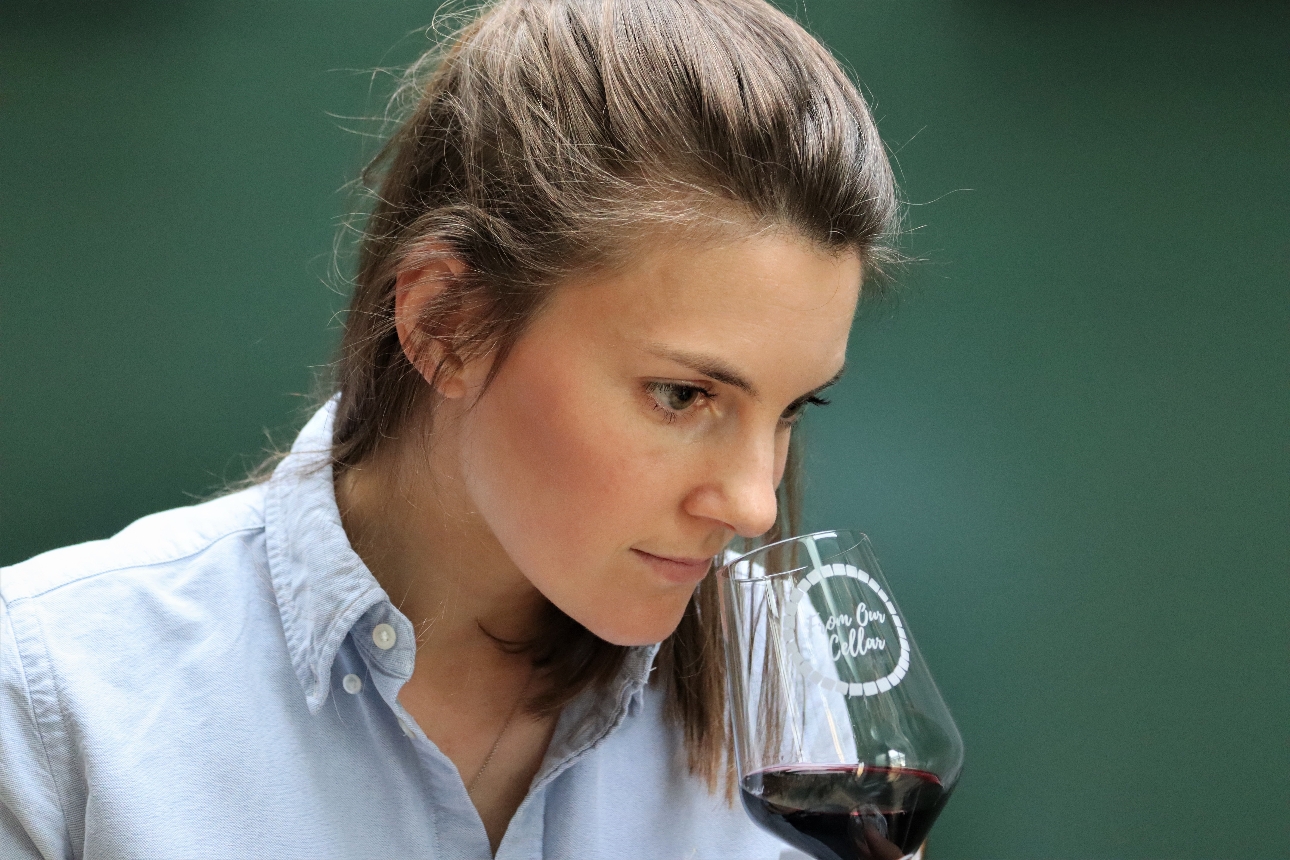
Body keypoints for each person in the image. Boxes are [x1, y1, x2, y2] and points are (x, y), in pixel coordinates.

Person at [0, 0, 899, 856]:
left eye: (792, 409)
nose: (752, 504)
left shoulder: (787, 699)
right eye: (680, 395)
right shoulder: (51, 705)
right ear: (445, 322)